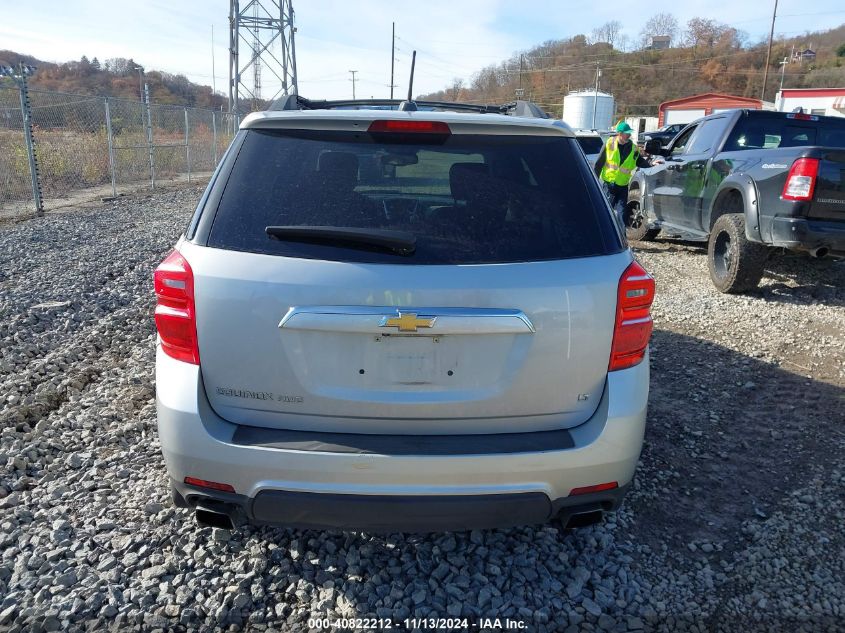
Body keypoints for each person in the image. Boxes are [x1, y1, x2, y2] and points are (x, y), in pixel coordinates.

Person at [594, 121, 659, 225]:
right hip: (609, 185)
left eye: (629, 132)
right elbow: (598, 164)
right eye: (627, 132)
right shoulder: (609, 143)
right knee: (606, 213)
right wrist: (594, 182)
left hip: (623, 186)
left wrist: (651, 163)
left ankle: (622, 237)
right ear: (620, 133)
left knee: (622, 213)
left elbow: (640, 161)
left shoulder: (633, 148)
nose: (629, 134)